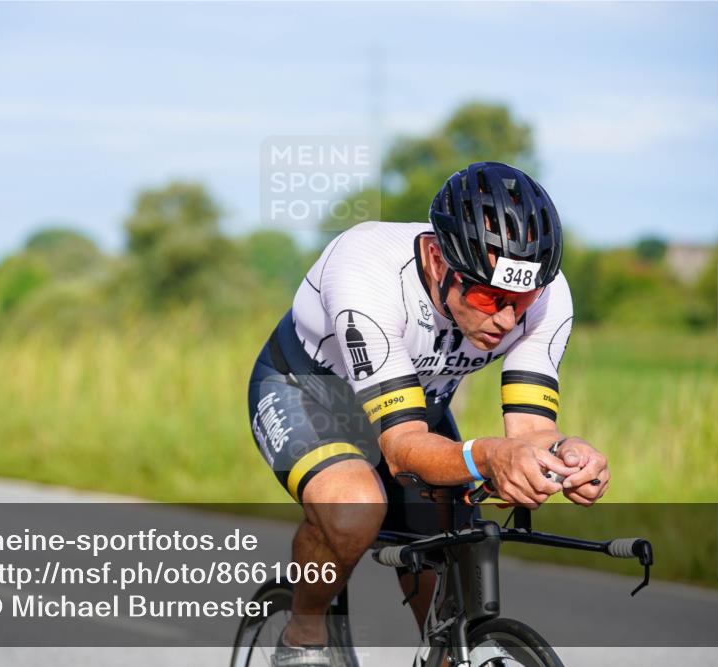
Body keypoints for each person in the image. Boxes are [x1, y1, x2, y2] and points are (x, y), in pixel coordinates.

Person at [247, 162, 610, 667]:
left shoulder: (548, 297)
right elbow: (399, 449)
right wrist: (490, 457)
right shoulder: (367, 271)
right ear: (438, 261)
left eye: (521, 301)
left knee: (453, 553)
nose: (507, 320)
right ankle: (302, 636)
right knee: (354, 509)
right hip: (311, 396)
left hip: (418, 408)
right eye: (488, 296)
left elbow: (531, 429)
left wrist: (565, 457)